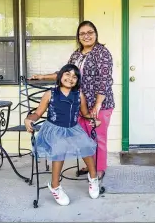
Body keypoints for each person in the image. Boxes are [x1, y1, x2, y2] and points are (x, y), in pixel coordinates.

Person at [29, 20, 114, 180]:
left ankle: (99, 168)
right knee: (84, 137)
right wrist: (43, 76)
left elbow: (105, 80)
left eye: (90, 32)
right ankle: (89, 164)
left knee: (98, 136)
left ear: (96, 34)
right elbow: (65, 72)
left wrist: (97, 104)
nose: (86, 36)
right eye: (82, 33)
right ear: (78, 37)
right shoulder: (76, 54)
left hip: (100, 104)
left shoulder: (102, 52)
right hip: (79, 103)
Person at [25, 64, 102, 206]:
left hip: (73, 128)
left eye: (74, 76)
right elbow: (38, 113)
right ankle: (55, 186)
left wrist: (94, 120)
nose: (70, 78)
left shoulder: (79, 95)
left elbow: (84, 114)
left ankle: (93, 178)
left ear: (77, 80)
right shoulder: (50, 94)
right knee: (60, 148)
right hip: (53, 129)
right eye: (67, 74)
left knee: (85, 145)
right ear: (60, 75)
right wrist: (29, 119)